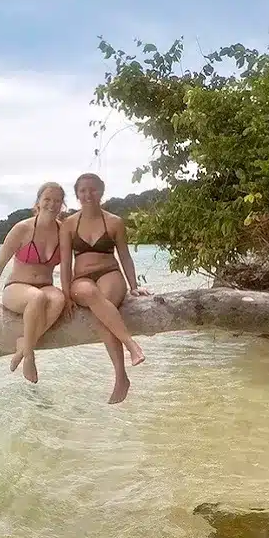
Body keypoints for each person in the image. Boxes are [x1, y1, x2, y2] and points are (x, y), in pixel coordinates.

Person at [60, 172, 150, 404]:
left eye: (93, 189)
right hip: (81, 280)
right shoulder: (69, 224)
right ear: (77, 194)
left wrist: (134, 286)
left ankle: (121, 377)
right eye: (82, 190)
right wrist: (65, 292)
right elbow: (65, 262)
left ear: (101, 191)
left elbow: (125, 256)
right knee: (91, 295)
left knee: (103, 313)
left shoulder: (114, 222)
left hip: (110, 273)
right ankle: (131, 345)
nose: (88, 194)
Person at [0, 182, 67, 383]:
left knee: (59, 299)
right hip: (16, 288)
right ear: (38, 202)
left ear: (62, 205)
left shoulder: (64, 232)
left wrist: (71, 294)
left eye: (57, 201)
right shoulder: (22, 229)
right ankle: (29, 356)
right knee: (37, 297)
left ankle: (23, 344)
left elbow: (71, 266)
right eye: (47, 199)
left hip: (46, 285)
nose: (52, 204)